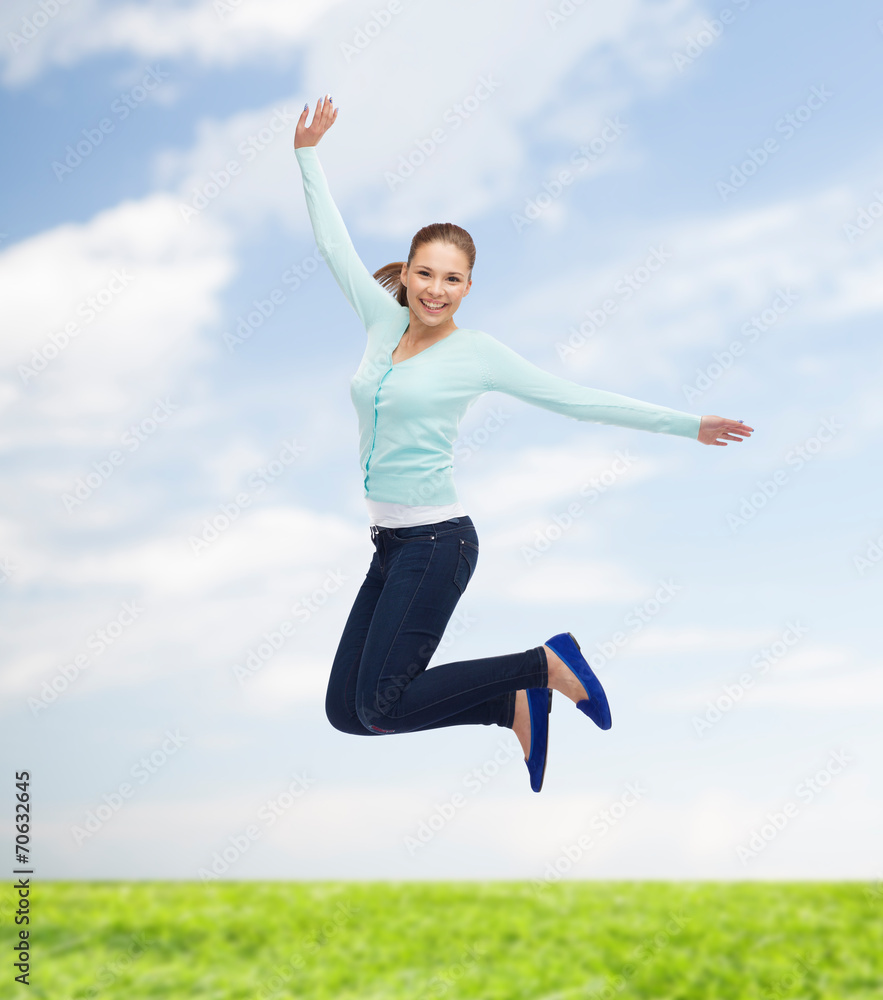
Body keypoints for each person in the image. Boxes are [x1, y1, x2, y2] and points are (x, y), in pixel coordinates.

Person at [293, 95, 753, 792]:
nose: (434, 290)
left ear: (467, 286)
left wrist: (687, 424)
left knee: (380, 703)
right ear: (408, 273)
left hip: (436, 544)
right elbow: (332, 244)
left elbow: (575, 400)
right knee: (348, 714)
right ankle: (509, 705)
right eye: (424, 274)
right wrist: (307, 155)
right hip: (389, 548)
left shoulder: (477, 354)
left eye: (451, 279)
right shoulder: (378, 325)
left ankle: (541, 664)